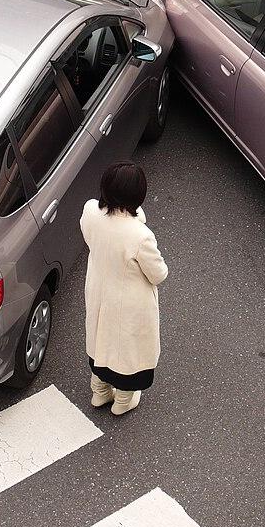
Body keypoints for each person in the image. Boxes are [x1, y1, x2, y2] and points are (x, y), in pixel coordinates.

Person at [80, 161, 168, 415]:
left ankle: (100, 392)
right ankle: (122, 401)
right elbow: (158, 274)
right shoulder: (140, 235)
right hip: (129, 302)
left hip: (99, 288)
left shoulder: (89, 212)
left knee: (100, 341)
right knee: (127, 352)